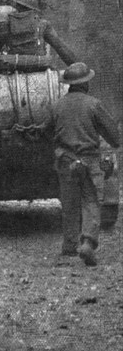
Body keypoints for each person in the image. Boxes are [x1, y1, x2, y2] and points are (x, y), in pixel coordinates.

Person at [48, 62, 120, 266]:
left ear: (69, 84)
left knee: (69, 202)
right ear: (85, 84)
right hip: (89, 161)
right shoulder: (94, 104)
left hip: (66, 161)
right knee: (90, 200)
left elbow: (46, 131)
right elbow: (114, 137)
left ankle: (69, 245)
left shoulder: (57, 105)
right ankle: (88, 242)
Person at [0, 0, 77, 74]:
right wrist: (77, 66)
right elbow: (60, 47)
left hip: (14, 69)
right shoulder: (42, 24)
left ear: (17, 6)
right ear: (33, 9)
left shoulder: (6, 25)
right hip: (40, 67)